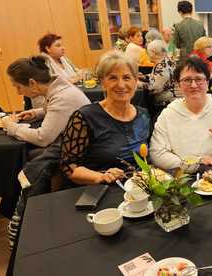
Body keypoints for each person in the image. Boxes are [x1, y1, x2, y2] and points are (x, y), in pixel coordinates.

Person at [59, 51, 150, 187]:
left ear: (136, 81)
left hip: (139, 189)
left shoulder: (143, 115)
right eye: (113, 78)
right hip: (103, 191)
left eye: (126, 77)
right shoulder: (85, 117)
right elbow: (69, 167)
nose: (120, 85)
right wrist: (101, 176)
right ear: (102, 82)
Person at [149, 57, 212, 170]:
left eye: (199, 79)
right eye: (187, 80)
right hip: (182, 178)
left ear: (208, 82)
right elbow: (157, 153)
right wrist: (194, 164)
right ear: (178, 85)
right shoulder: (168, 114)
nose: (193, 85)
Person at [2, 56, 89, 148]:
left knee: (31, 155)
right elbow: (64, 111)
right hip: (79, 143)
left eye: (18, 87)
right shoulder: (61, 89)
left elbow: (42, 138)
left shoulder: (62, 98)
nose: (18, 92)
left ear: (32, 83)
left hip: (83, 151)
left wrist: (10, 126)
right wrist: (37, 113)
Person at [145, 40, 178, 118]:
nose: (148, 55)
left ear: (153, 53)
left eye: (148, 52)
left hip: (165, 100)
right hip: (172, 94)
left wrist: (139, 84)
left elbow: (155, 88)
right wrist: (145, 77)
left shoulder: (161, 66)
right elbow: (159, 77)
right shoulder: (167, 60)